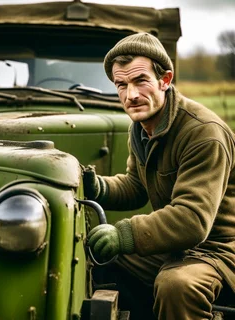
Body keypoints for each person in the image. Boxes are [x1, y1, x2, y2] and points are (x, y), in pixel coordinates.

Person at [83, 32, 235, 320]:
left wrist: (123, 234)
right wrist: (97, 187)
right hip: (176, 246)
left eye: (140, 81)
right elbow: (136, 186)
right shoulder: (142, 128)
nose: (131, 95)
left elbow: (192, 219)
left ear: (165, 80)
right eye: (121, 85)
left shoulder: (203, 134)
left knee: (176, 286)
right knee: (99, 261)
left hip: (220, 249)